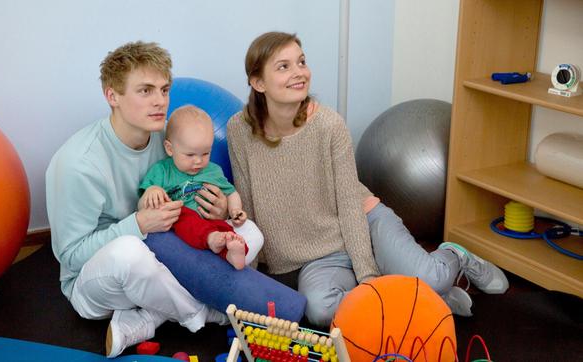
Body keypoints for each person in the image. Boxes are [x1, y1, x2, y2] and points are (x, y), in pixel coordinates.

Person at [226, 31, 509, 326]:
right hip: (324, 251)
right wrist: (252, 279)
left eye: (301, 62)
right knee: (321, 310)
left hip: (365, 221)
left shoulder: (328, 125)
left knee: (432, 277)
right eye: (283, 66)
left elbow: (350, 204)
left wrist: (369, 279)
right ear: (258, 83)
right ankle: (419, 297)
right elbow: (246, 203)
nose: (299, 73)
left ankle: (455, 257)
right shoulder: (239, 130)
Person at [45, 41, 243, 358]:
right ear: (113, 96)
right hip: (96, 284)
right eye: (146, 91)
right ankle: (206, 312)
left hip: (163, 252)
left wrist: (218, 208)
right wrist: (136, 224)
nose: (160, 102)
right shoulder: (78, 165)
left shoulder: (166, 138)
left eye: (164, 90)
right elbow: (70, 256)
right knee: (130, 252)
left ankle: (145, 320)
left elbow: (194, 189)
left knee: (249, 234)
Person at [139, 105, 263, 270]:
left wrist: (235, 211)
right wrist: (152, 191)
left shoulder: (212, 171)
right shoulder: (162, 170)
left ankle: (232, 254)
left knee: (227, 232)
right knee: (183, 214)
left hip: (209, 225)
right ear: (170, 149)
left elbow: (231, 193)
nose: (198, 161)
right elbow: (140, 206)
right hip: (177, 230)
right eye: (190, 155)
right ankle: (212, 241)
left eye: (205, 154)